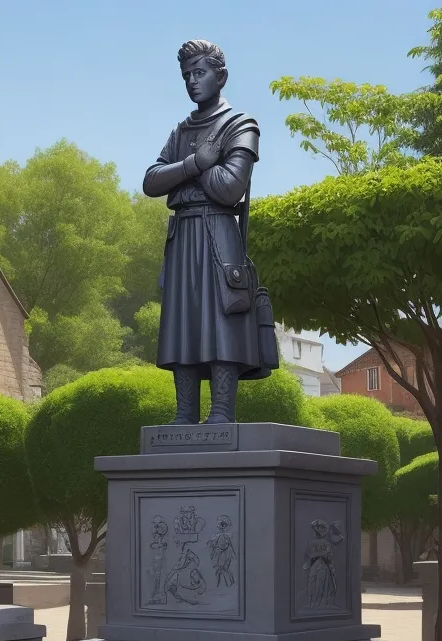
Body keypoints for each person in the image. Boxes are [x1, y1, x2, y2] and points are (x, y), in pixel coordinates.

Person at [143, 39, 272, 425]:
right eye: (186, 75)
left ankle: (220, 412)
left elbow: (231, 187)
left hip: (219, 236)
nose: (192, 81)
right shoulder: (181, 131)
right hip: (182, 236)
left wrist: (183, 176)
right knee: (182, 323)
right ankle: (184, 412)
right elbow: (151, 181)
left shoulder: (241, 125)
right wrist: (197, 162)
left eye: (199, 72)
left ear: (221, 75)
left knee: (221, 323)